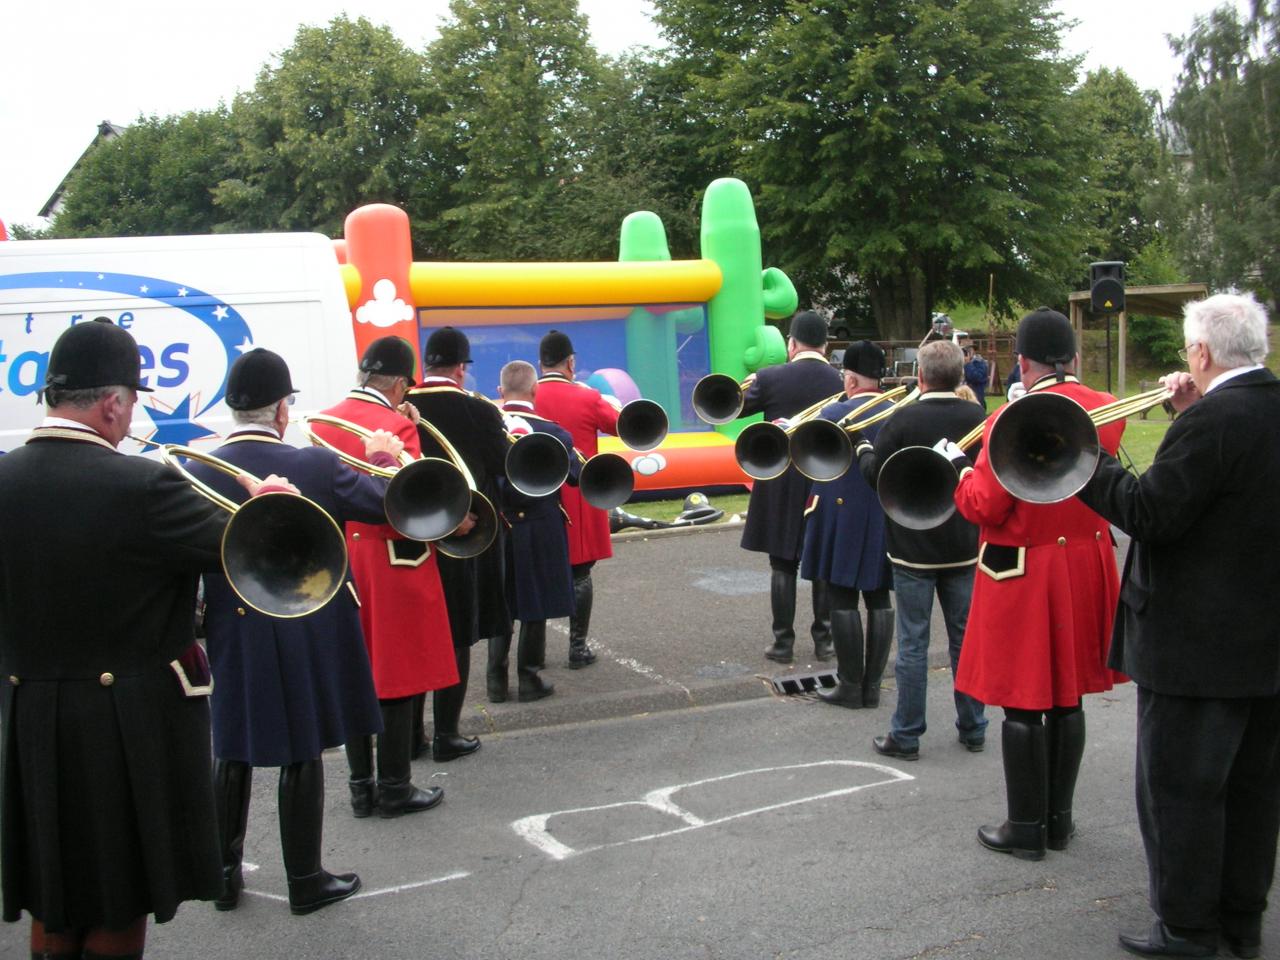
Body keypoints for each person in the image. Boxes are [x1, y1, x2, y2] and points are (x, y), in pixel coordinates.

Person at [0, 320, 283, 956]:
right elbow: (251, 549)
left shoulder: (4, 478)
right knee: (118, 893)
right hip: (121, 720)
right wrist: (267, 499)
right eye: (131, 404)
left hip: (26, 715)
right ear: (112, 402)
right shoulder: (142, 485)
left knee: (56, 884)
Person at [1076, 293, 1280, 960]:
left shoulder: (1215, 423)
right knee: (1253, 794)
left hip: (1196, 648)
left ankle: (1188, 927)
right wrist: (1189, 416)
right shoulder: (1252, 410)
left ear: (1200, 353)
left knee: (1182, 794)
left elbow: (1152, 513)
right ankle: (1240, 921)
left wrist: (1086, 463)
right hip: (1264, 643)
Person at [194, 347, 396, 915]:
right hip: (303, 622)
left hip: (233, 627)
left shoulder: (196, 468)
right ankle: (305, 879)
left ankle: (224, 876)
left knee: (230, 744)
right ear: (282, 409)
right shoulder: (313, 465)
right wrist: (389, 454)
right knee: (301, 748)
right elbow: (386, 504)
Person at [945, 307, 1126, 862]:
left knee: (1023, 702)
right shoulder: (1108, 408)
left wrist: (959, 470)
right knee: (1067, 696)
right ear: (1071, 357)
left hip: (1023, 567)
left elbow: (986, 505)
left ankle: (1024, 827)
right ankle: (1059, 823)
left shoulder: (1011, 416)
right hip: (1085, 564)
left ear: (1023, 359)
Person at [313, 335, 458, 819]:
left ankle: (360, 786)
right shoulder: (396, 425)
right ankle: (394, 786)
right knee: (398, 674)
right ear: (398, 384)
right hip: (393, 559)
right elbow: (408, 502)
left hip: (340, 562)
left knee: (357, 672)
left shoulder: (321, 421)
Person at [855, 340, 988, 757]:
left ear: (920, 377)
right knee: (965, 639)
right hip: (963, 543)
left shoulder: (903, 419)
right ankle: (974, 725)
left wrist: (862, 449)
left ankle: (907, 734)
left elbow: (878, 476)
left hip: (912, 547)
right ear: (961, 375)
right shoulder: (978, 416)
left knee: (913, 644)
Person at [406, 326, 510, 761]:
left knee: (413, 636)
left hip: (410, 537)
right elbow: (504, 465)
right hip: (463, 536)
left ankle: (409, 736)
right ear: (462, 369)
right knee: (457, 634)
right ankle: (447, 732)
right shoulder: (478, 410)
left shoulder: (402, 407)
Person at [739, 310, 845, 663]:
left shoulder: (770, 377)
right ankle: (824, 641)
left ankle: (783, 642)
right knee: (824, 561)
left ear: (792, 344)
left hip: (780, 477)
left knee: (782, 564)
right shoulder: (841, 381)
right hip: (825, 477)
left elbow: (732, 409)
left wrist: (752, 381)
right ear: (825, 345)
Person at [800, 341, 895, 707]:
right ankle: (872, 687)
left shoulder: (835, 412)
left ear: (851, 379)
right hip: (884, 510)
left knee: (841, 596)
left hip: (840, 513)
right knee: (879, 596)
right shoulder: (898, 410)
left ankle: (851, 685)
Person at [490, 360, 578, 702]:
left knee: (503, 601)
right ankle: (529, 678)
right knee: (535, 601)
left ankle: (495, 682)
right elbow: (574, 476)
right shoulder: (554, 432)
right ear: (535, 390)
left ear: (500, 392)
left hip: (500, 523)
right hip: (540, 524)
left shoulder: (487, 427)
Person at [533, 329, 620, 669]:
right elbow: (618, 424)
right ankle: (577, 647)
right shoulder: (587, 396)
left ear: (541, 363)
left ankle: (533, 657)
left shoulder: (529, 395)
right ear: (571, 362)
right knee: (580, 574)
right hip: (580, 498)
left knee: (535, 575)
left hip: (537, 497)